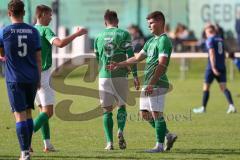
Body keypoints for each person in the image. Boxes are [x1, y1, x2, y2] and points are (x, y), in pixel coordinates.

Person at [107, 11, 177, 153]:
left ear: (160, 22)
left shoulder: (164, 40)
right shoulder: (151, 41)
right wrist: (119, 64)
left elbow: (162, 64)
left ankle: (159, 146)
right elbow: (138, 58)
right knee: (144, 113)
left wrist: (152, 83)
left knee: (157, 113)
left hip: (157, 82)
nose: (149, 26)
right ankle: (168, 135)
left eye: (151, 23)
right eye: (148, 23)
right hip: (149, 83)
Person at [33, 4, 87, 152]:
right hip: (43, 74)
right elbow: (60, 44)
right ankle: (26, 135)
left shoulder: (30, 30)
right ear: (42, 14)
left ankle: (47, 145)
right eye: (49, 15)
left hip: (30, 75)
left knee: (42, 111)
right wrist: (77, 34)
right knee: (48, 112)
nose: (51, 18)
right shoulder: (45, 30)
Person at [0, 0, 42, 159]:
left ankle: (24, 153)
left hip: (14, 79)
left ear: (9, 13)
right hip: (31, 78)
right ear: (24, 12)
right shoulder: (33, 31)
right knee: (29, 113)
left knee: (19, 115)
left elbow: (2, 54)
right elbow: (38, 59)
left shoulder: (4, 32)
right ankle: (28, 146)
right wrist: (38, 79)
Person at [94, 9, 140, 150]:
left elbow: (97, 59)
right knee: (121, 106)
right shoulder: (124, 34)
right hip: (120, 75)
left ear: (105, 22)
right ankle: (120, 130)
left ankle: (109, 143)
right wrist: (135, 75)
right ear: (117, 21)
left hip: (104, 76)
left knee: (106, 111)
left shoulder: (98, 36)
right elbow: (131, 55)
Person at [193, 24, 237, 114]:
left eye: (205, 31)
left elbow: (211, 53)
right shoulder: (220, 39)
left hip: (212, 67)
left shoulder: (210, 40)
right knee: (224, 88)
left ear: (208, 31)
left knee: (206, 87)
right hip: (222, 66)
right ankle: (231, 106)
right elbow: (228, 51)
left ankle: (203, 108)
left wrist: (213, 67)